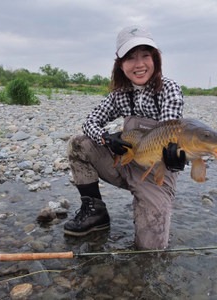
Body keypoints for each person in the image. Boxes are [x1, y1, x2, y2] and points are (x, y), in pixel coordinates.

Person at [64, 25, 186, 250]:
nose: (139, 64)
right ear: (120, 64)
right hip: (124, 163)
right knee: (78, 144)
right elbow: (89, 122)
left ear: (156, 59)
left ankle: (147, 209)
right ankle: (95, 211)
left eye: (145, 55)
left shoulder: (169, 90)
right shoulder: (119, 94)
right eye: (130, 57)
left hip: (154, 176)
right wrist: (106, 139)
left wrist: (177, 158)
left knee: (150, 250)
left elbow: (171, 133)